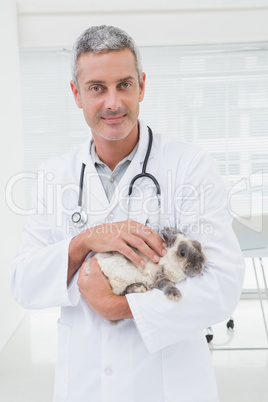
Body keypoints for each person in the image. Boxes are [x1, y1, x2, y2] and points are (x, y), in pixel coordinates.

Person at [11, 25, 245, 402]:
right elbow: (24, 281)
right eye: (97, 88)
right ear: (76, 94)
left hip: (170, 384)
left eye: (124, 84)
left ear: (142, 86)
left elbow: (223, 285)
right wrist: (84, 241)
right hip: (86, 383)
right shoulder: (56, 174)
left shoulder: (189, 167)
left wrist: (120, 306)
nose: (113, 103)